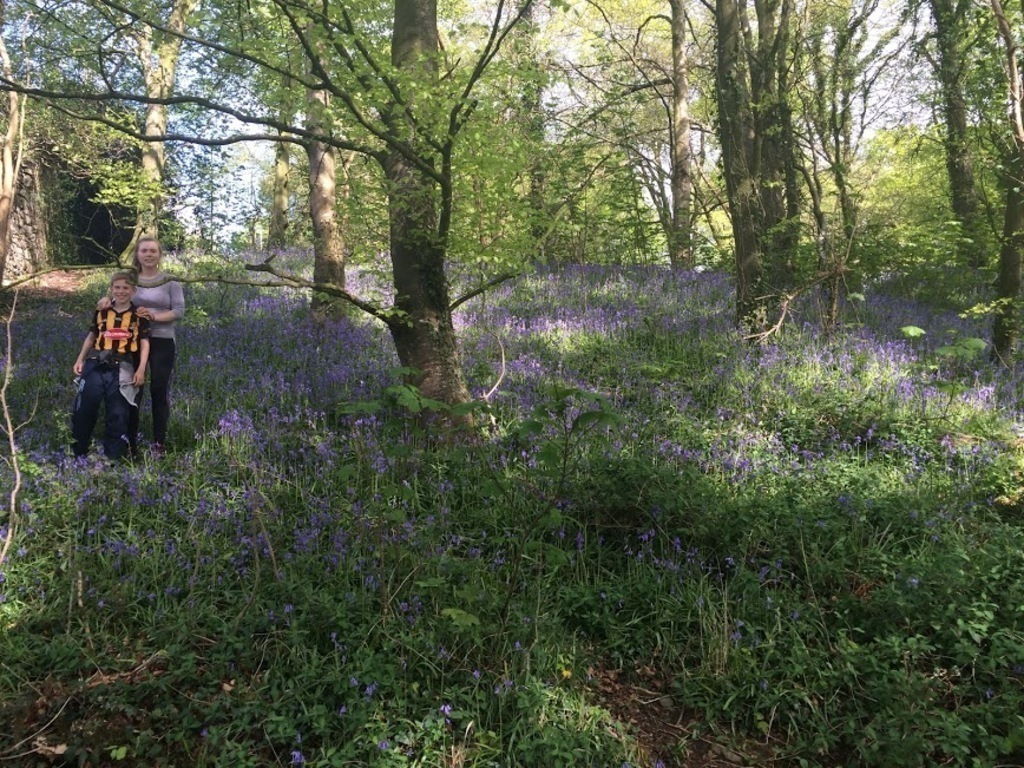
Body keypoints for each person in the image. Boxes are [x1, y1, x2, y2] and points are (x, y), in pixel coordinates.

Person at [98, 237, 185, 455]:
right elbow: (116, 298)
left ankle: (158, 443)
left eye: (153, 251)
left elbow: (179, 311)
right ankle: (130, 442)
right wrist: (104, 301)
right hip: (132, 342)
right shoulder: (130, 279)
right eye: (144, 250)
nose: (148, 254)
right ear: (137, 254)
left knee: (158, 390)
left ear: (159, 254)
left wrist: (153, 316)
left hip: (162, 341)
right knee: (133, 390)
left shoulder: (170, 281)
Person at [72, 271, 151, 460]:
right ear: (111, 289)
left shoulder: (140, 315)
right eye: (117, 287)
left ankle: (113, 458)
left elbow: (144, 343)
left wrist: (141, 369)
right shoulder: (102, 311)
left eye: (126, 288)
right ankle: (77, 454)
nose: (121, 291)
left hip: (123, 367)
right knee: (84, 409)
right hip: (96, 364)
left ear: (133, 290)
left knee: (118, 413)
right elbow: (91, 336)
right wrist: (80, 358)